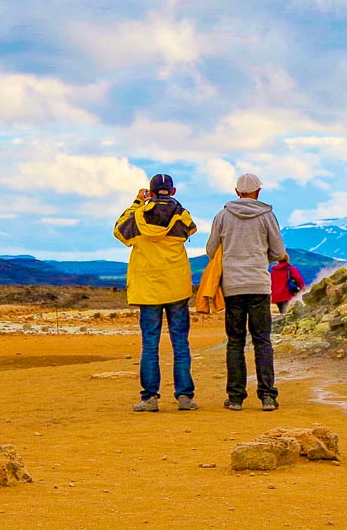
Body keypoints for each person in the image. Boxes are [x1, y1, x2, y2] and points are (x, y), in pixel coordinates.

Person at [113, 174, 198, 412]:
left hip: (147, 289)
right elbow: (190, 229)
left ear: (149, 191)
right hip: (176, 286)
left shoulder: (138, 216)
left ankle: (149, 397)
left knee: (150, 344)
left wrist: (138, 202)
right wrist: (172, 204)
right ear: (173, 191)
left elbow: (119, 231)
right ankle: (184, 397)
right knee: (180, 343)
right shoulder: (181, 215)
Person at [206, 173, 287, 411]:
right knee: (262, 341)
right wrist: (264, 258)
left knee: (235, 342)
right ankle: (267, 396)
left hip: (232, 286)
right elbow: (278, 250)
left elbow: (212, 249)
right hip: (259, 285)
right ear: (258, 192)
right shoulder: (267, 216)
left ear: (236, 191)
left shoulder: (222, 216)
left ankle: (235, 397)